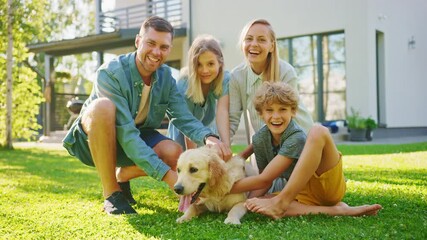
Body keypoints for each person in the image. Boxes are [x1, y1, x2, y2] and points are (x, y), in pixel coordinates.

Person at [62, 16, 231, 215]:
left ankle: (122, 177)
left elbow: (183, 116)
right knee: (103, 107)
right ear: (138, 41)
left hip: (136, 136)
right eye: (151, 43)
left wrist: (207, 137)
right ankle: (111, 194)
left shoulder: (166, 77)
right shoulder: (110, 73)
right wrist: (168, 176)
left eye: (164, 46)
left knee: (173, 151)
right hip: (93, 142)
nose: (156, 52)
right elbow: (126, 134)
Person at [231, 82, 382, 219]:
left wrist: (221, 188)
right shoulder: (259, 139)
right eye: (269, 110)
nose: (276, 116)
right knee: (258, 203)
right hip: (300, 194)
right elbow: (265, 182)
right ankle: (338, 210)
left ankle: (282, 203)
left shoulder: (296, 137)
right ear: (261, 114)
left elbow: (264, 179)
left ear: (293, 111)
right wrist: (247, 201)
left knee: (318, 130)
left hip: (325, 186)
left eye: (282, 109)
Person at [229, 18, 313, 148]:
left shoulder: (286, 72)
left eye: (262, 39)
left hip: (298, 139)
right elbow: (232, 119)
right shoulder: (236, 76)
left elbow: (288, 121)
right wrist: (221, 149)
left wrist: (246, 153)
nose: (254, 44)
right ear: (242, 43)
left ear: (272, 46)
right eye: (249, 39)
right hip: (266, 145)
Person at [167, 34, 230, 149]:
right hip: (184, 135)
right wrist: (193, 158)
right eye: (199, 65)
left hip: (208, 134)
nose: (205, 70)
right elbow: (188, 125)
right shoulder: (184, 85)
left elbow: (223, 111)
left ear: (220, 63)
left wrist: (226, 146)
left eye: (210, 64)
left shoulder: (225, 79)